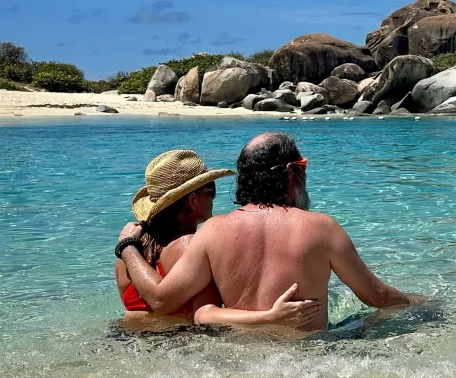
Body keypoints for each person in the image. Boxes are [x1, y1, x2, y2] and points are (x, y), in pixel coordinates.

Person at [116, 133, 420, 332]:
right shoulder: (322, 227)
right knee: (368, 323)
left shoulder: (211, 231)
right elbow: (377, 296)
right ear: (291, 174)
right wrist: (422, 303)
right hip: (311, 362)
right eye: (302, 167)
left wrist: (128, 245)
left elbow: (188, 308)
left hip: (242, 361)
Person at [115, 149, 319, 329]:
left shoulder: (130, 251)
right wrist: (271, 317)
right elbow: (203, 316)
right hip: (168, 349)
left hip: (123, 339)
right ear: (193, 200)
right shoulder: (189, 246)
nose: (214, 198)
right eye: (210, 190)